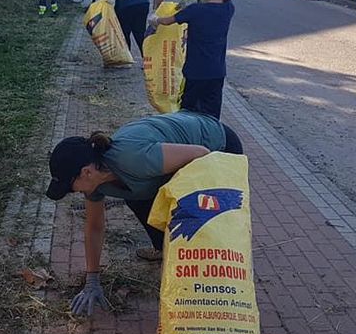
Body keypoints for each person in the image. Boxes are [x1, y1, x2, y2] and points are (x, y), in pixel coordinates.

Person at [46, 111, 244, 316]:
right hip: (181, 158)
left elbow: (202, 154)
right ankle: (164, 249)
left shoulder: (132, 159)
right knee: (137, 196)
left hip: (218, 146)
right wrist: (92, 280)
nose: (73, 192)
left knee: (200, 218)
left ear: (87, 172)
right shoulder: (94, 184)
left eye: (71, 187)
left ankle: (217, 281)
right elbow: (94, 226)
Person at [149, 0, 235, 119]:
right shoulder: (228, 9)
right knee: (212, 113)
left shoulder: (195, 11)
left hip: (195, 70)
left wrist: (156, 19)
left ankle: (188, 138)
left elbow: (168, 20)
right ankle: (211, 138)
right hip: (217, 72)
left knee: (188, 111)